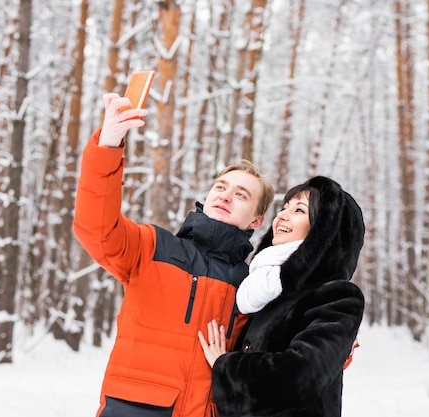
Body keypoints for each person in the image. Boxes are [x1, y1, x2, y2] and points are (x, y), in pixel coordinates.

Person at [72, 92, 275, 417]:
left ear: (257, 220)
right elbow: (95, 228)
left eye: (241, 194)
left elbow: (281, 351)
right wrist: (107, 146)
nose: (226, 196)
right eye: (220, 187)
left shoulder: (250, 285)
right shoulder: (154, 247)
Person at [198, 176, 365, 417]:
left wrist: (226, 365)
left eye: (299, 210)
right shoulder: (264, 293)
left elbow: (300, 377)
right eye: (284, 207)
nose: (282, 216)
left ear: (324, 230)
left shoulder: (337, 296)